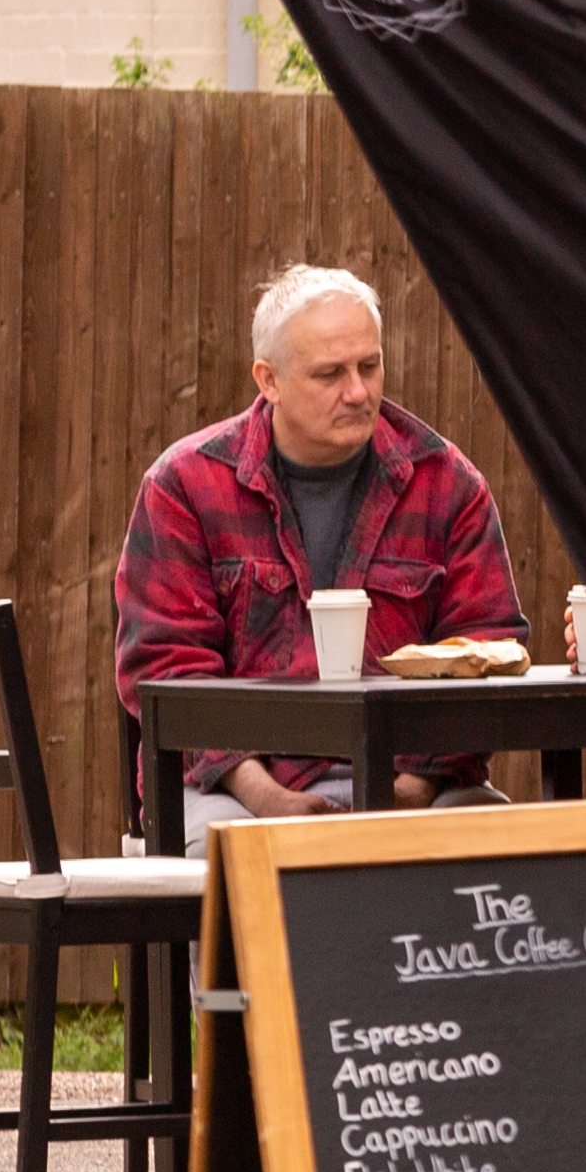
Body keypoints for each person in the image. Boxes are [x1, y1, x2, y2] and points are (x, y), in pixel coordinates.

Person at [115, 264, 522, 829]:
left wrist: (415, 787)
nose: (358, 392)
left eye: (369, 366)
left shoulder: (448, 484)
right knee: (231, 860)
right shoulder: (186, 485)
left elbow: (489, 650)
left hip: (415, 785)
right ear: (269, 380)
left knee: (501, 845)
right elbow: (165, 670)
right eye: (330, 374)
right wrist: (266, 800)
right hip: (233, 787)